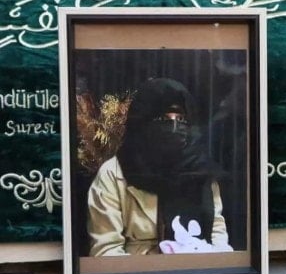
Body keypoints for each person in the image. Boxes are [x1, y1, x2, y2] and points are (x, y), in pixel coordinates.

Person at [87, 78, 231, 256]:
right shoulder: (114, 174)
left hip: (200, 267)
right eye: (164, 118)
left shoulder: (201, 171)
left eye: (181, 119)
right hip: (137, 270)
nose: (174, 126)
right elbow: (106, 251)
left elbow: (217, 235)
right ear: (143, 122)